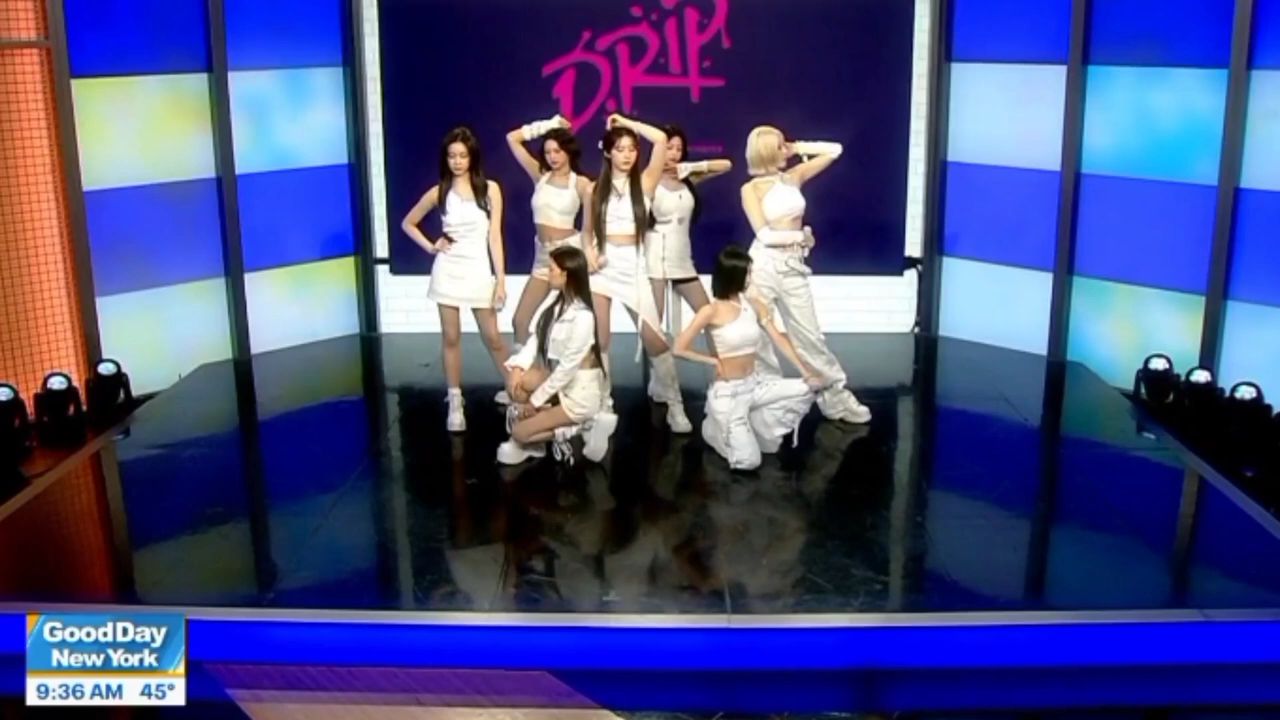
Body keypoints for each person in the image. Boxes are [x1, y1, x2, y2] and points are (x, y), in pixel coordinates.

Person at [740, 125, 872, 424]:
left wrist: (798, 147)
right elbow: (764, 235)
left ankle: (835, 398)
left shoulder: (793, 176)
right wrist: (802, 236)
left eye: (785, 143)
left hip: (793, 266)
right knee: (758, 334)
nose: (785, 148)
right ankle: (767, 399)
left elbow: (834, 150)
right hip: (763, 265)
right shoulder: (750, 189)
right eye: (779, 145)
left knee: (809, 335)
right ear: (765, 151)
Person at [586, 114, 691, 433]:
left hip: (633, 266)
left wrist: (626, 122)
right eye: (620, 149)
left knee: (655, 339)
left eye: (632, 148)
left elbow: (660, 139)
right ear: (608, 152)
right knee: (600, 339)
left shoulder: (644, 182)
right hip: (603, 269)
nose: (627, 155)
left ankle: (674, 403)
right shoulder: (595, 189)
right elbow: (586, 232)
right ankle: (603, 402)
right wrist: (589, 253)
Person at [674, 246, 821, 471]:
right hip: (729, 393)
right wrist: (713, 361)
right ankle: (714, 430)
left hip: (754, 385)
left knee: (810, 387)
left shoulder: (754, 305)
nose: (751, 278)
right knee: (749, 462)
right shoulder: (711, 311)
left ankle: (754, 426)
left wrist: (805, 371)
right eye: (748, 273)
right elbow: (679, 348)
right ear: (733, 275)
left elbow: (779, 339)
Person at [401, 127, 510, 432]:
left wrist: (500, 281)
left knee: (493, 337)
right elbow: (408, 223)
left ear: (472, 157)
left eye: (463, 155)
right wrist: (431, 246)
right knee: (451, 337)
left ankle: (515, 388)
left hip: (478, 270)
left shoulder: (490, 189)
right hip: (447, 270)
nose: (457, 161)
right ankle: (455, 400)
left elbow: (495, 238)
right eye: (452, 156)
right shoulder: (439, 192)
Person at [499, 246, 617, 465]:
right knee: (519, 383)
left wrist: (534, 402)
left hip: (579, 395)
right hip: (562, 385)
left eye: (552, 269)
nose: (548, 273)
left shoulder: (583, 317)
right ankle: (542, 425)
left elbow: (566, 371)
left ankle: (582, 427)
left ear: (566, 275)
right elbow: (535, 340)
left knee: (519, 433)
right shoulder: (555, 305)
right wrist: (517, 368)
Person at [505, 114, 593, 348]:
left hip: (567, 257)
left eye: (557, 151)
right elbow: (512, 139)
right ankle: (523, 370)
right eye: (547, 152)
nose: (552, 157)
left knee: (567, 325)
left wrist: (590, 255)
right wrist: (548, 125)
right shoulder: (540, 177)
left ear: (568, 152)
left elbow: (590, 228)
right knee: (520, 321)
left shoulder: (581, 184)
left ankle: (574, 369)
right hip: (542, 257)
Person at [645, 125, 732, 335]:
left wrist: (690, 167)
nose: (674, 154)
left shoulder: (687, 179)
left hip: (682, 258)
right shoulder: (648, 180)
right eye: (669, 148)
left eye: (678, 149)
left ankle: (711, 358)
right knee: (653, 325)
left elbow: (726, 165)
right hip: (655, 258)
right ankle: (656, 358)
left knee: (708, 314)